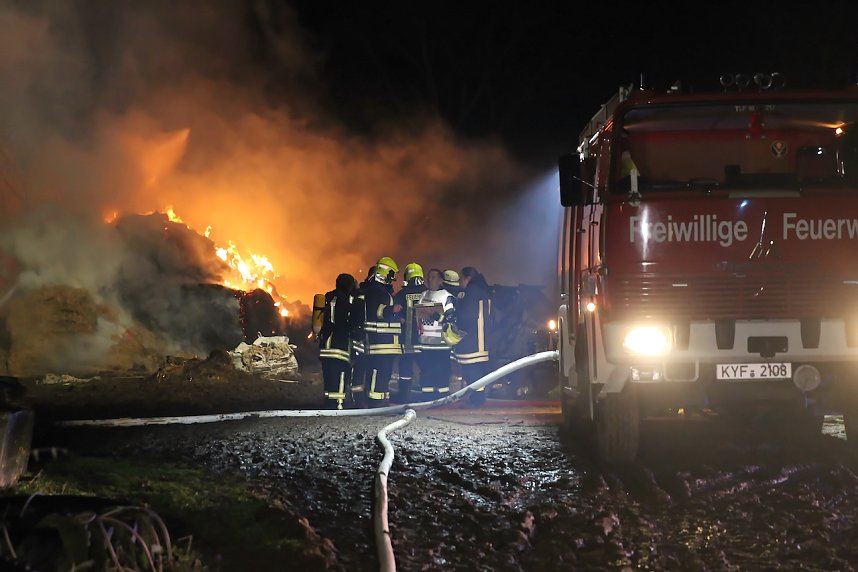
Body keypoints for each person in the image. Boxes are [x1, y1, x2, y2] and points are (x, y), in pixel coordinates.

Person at [362, 256, 403, 407]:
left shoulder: (381, 290)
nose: (393, 278)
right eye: (391, 273)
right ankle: (374, 401)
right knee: (377, 372)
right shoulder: (375, 290)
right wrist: (393, 309)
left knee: (384, 373)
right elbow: (375, 311)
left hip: (386, 342)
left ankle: (381, 399)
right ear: (384, 272)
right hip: (378, 342)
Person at [415, 268, 458, 399]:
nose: (430, 279)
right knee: (426, 370)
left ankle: (442, 395)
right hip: (425, 341)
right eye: (429, 277)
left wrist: (436, 316)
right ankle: (426, 395)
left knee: (442, 370)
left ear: (440, 281)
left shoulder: (447, 297)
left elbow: (450, 317)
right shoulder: (423, 295)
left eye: (433, 277)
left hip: (441, 343)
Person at [318, 273, 358, 410]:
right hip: (340, 345)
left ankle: (328, 404)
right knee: (341, 375)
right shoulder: (350, 299)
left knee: (328, 377)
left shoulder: (327, 297)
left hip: (325, 346)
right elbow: (354, 322)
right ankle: (337, 405)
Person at [454, 266, 493, 406]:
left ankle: (476, 399)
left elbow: (467, 316)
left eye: (461, 279)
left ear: (467, 278)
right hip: (482, 338)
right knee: (478, 369)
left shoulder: (471, 292)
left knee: (472, 370)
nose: (460, 283)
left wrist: (456, 325)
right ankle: (477, 397)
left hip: (472, 339)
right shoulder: (483, 290)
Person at [393, 262, 427, 402]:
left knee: (405, 368)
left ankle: (404, 396)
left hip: (406, 340)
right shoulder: (428, 292)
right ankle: (427, 397)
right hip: (425, 340)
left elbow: (394, 313)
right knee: (426, 367)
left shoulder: (401, 294)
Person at [349, 266, 374, 408]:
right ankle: (358, 401)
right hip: (363, 338)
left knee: (360, 368)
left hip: (364, 338)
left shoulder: (362, 292)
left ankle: (359, 399)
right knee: (360, 368)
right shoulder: (363, 294)